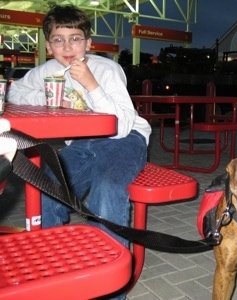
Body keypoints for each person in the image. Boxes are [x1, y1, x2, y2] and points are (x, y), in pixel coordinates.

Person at [7, 5, 151, 298]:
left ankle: (111, 287)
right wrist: (49, 97)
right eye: (58, 40)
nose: (67, 46)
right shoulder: (47, 70)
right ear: (48, 46)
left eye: (75, 38)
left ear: (88, 43)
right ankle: (53, 263)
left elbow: (121, 126)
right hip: (82, 142)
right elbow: (16, 92)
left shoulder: (106, 69)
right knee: (47, 184)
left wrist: (90, 85)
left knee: (107, 189)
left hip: (126, 139)